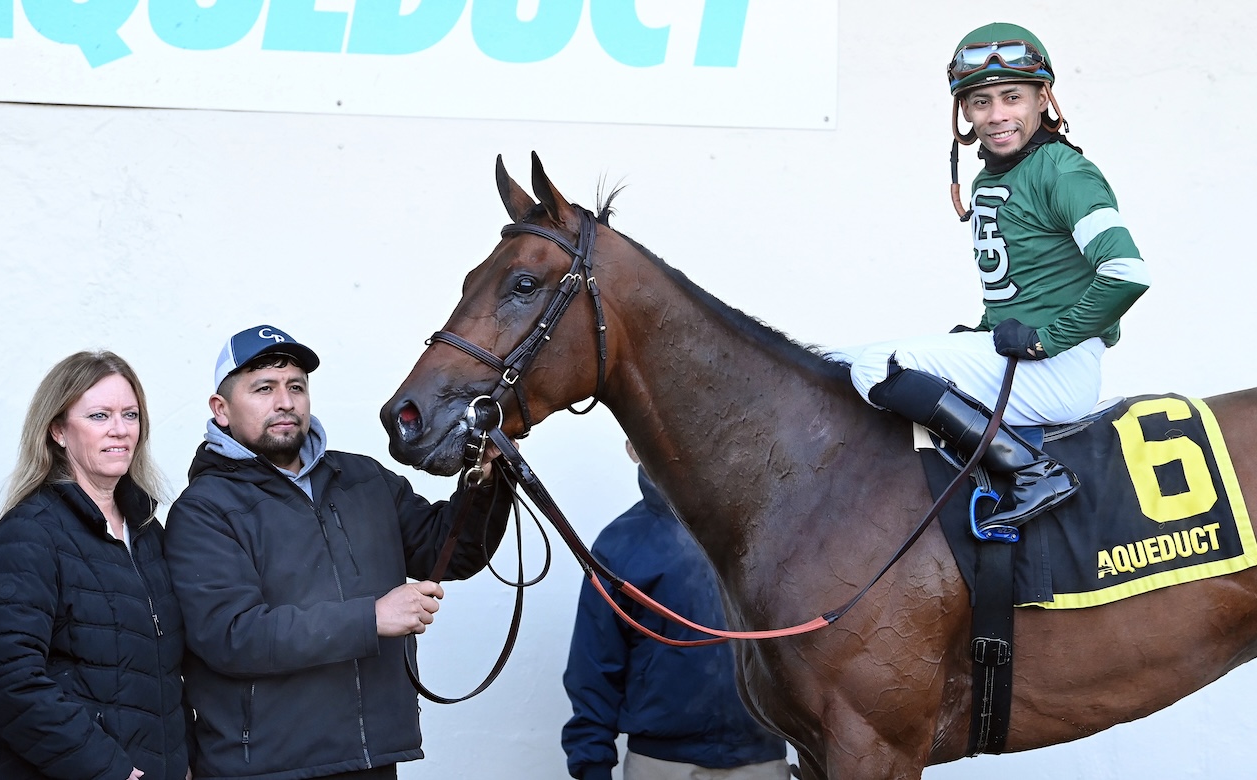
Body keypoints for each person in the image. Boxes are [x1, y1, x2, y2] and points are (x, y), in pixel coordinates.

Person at [827, 22, 1151, 534]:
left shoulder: (1065, 173)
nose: (996, 115)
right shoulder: (989, 179)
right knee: (837, 361)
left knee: (874, 366)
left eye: (1011, 97)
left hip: (1058, 367)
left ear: (1043, 99)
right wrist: (983, 330)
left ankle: (1031, 471)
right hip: (1022, 359)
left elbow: (1127, 273)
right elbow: (1016, 286)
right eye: (980, 102)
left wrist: (1046, 341)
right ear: (964, 112)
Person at [163, 324, 511, 780]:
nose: (285, 401)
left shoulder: (363, 478)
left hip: (371, 759)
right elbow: (233, 635)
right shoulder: (203, 510)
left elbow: (451, 552)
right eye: (263, 388)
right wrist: (370, 618)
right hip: (266, 767)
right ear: (221, 410)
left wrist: (488, 481)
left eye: (296, 387)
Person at [0, 351, 190, 780]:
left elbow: (163, 672)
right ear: (57, 430)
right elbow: (8, 681)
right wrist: (110, 771)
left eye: (130, 415)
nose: (120, 430)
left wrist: (183, 760)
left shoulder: (148, 533)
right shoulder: (28, 535)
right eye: (99, 415)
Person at [562, 441, 789, 780]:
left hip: (761, 762)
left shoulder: (771, 537)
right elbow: (594, 665)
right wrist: (592, 765)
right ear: (631, 448)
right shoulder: (618, 545)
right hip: (660, 766)